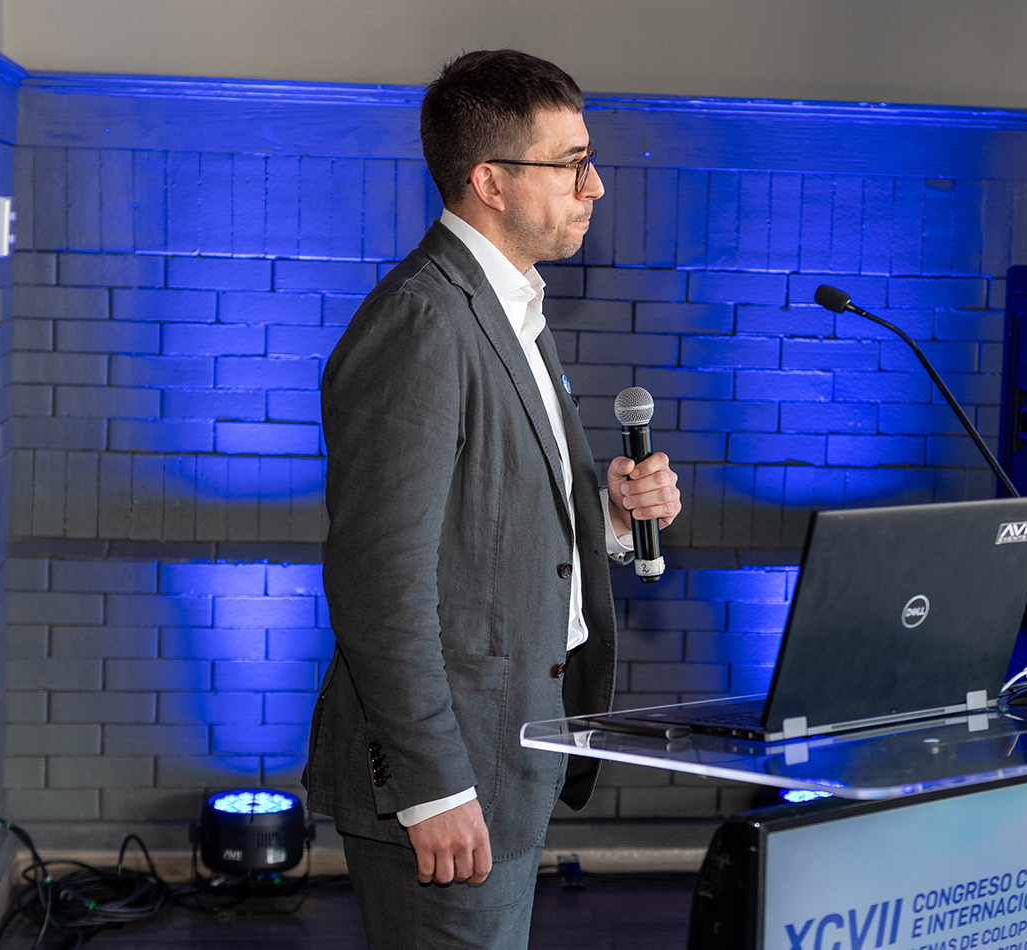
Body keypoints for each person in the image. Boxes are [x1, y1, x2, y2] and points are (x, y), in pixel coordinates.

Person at [303, 49, 681, 949]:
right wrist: (432, 784)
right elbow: (377, 583)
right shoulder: (422, 321)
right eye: (571, 163)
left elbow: (487, 530)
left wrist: (610, 520)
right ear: (490, 182)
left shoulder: (508, 305)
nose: (594, 186)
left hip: (512, 753)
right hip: (449, 776)